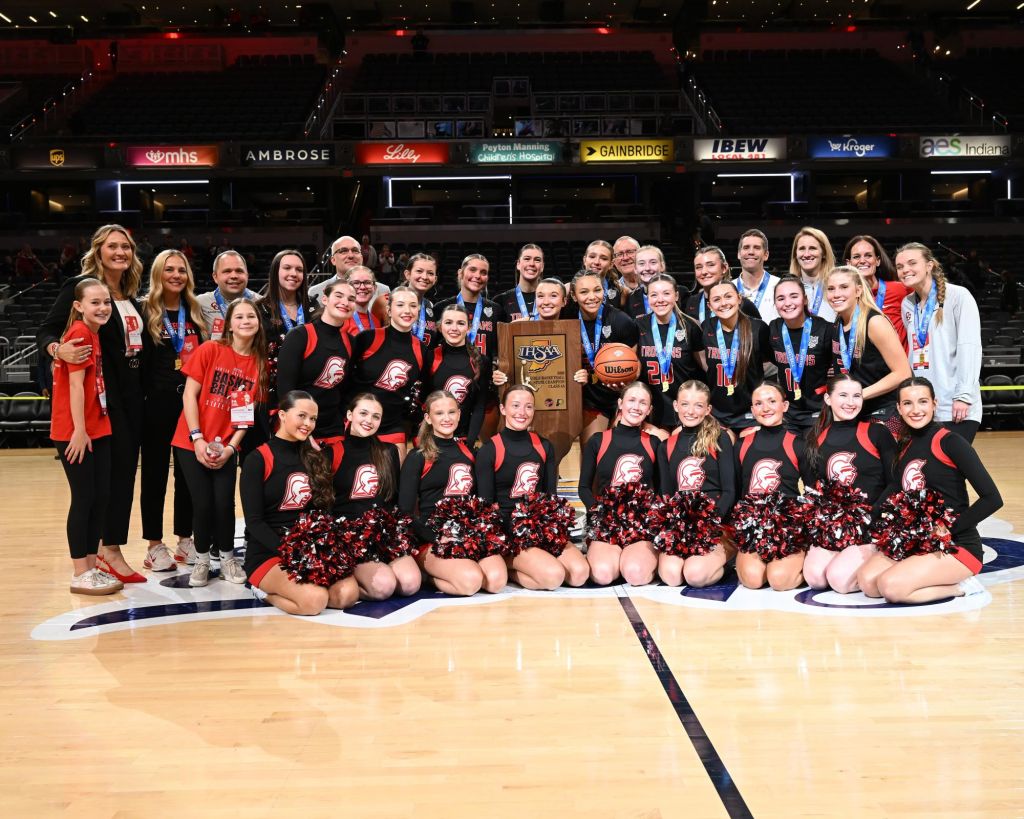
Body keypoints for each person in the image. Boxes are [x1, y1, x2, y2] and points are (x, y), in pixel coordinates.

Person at [38, 224, 148, 583]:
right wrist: (58, 350)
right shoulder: (82, 287)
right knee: (102, 486)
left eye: (126, 247)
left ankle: (105, 552)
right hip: (100, 401)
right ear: (98, 250)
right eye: (112, 246)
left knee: (116, 483)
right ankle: (104, 554)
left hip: (129, 399)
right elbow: (48, 332)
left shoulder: (132, 292)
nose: (120, 253)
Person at [857, 377, 1002, 604]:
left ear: (934, 403)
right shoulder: (904, 445)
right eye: (907, 403)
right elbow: (896, 486)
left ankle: (962, 587)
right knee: (868, 583)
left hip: (955, 545)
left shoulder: (951, 442)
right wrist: (868, 517)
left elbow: (992, 498)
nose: (916, 410)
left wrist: (949, 528)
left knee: (890, 587)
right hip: (917, 541)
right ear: (898, 408)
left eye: (922, 402)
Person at [172, 297, 265, 587]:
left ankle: (226, 557)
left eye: (251, 316)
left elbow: (245, 415)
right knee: (202, 504)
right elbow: (189, 395)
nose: (246, 321)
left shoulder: (259, 364)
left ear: (258, 323)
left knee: (224, 503)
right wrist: (197, 438)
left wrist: (231, 447)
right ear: (229, 324)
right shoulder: (210, 349)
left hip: (226, 445)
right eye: (239, 317)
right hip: (190, 441)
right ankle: (201, 559)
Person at [241, 391, 360, 615]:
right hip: (269, 552)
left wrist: (319, 551)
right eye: (302, 416)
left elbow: (320, 512)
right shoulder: (257, 459)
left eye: (313, 419)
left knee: (346, 595)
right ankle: (262, 592)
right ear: (283, 415)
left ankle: (302, 587)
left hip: (307, 549)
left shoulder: (314, 457)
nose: (308, 424)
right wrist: (292, 552)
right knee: (314, 601)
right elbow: (254, 522)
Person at [475, 386, 589, 589]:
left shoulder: (544, 446)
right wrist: (516, 533)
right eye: (515, 406)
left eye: (528, 407)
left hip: (539, 528)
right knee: (554, 576)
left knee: (579, 574)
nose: (522, 412)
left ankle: (529, 567)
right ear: (502, 409)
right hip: (509, 533)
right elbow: (486, 508)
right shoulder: (490, 450)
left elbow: (550, 499)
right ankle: (508, 563)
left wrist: (547, 531)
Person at [50, 278, 122, 595]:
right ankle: (81, 571)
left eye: (106, 302)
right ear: (79, 306)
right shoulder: (79, 333)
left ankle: (92, 567)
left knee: (100, 499)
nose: (103, 307)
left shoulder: (94, 332)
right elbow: (76, 387)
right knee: (84, 500)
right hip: (77, 430)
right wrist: (79, 430)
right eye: (95, 302)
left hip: (97, 425)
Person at [399, 391, 507, 596]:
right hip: (433, 537)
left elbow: (480, 501)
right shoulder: (418, 456)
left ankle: (448, 571)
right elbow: (405, 511)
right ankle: (427, 571)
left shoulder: (469, 453)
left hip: (467, 534)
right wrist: (436, 537)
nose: (446, 418)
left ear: (459, 415)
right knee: (471, 581)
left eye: (451, 412)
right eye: (439, 413)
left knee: (496, 581)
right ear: (428, 418)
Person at [139, 249, 205, 570]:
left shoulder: (194, 312)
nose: (176, 275)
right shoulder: (145, 311)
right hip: (155, 405)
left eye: (182, 270)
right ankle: (153, 545)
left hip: (189, 405)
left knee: (187, 475)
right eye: (170, 270)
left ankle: (184, 540)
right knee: (154, 475)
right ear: (158, 274)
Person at [800, 375, 896, 593]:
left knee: (839, 580)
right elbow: (812, 491)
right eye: (843, 395)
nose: (850, 402)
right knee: (815, 578)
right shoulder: (813, 438)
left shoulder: (876, 432)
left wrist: (872, 516)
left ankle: (884, 556)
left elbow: (895, 483)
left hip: (871, 524)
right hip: (835, 527)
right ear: (827, 399)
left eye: (857, 396)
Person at [331, 394, 419, 600]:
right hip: (350, 537)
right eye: (363, 413)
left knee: (410, 584)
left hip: (382, 534)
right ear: (349, 414)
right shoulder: (333, 452)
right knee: (383, 587)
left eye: (375, 416)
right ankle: (345, 584)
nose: (368, 421)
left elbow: (394, 499)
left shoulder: (389, 452)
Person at [895, 242, 982, 443]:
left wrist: (963, 395)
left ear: (929, 265)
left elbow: (969, 348)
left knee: (950, 472)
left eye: (912, 263)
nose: (905, 270)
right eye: (900, 267)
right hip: (923, 407)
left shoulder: (959, 296)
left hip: (956, 405)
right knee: (930, 471)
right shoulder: (907, 304)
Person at [579, 381, 662, 586]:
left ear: (649, 410)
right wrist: (601, 513)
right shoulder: (598, 440)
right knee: (602, 574)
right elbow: (583, 488)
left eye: (643, 403)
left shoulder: (653, 443)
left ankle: (644, 558)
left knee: (635, 574)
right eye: (631, 400)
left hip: (641, 526)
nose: (636, 406)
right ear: (620, 403)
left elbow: (661, 491)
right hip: (606, 523)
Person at [656, 380, 737, 587]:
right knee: (671, 575)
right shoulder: (666, 446)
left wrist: (708, 523)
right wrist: (676, 527)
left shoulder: (720, 438)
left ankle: (729, 557)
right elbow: (666, 495)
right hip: (682, 526)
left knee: (695, 575)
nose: (690, 411)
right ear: (675, 406)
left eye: (698, 405)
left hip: (714, 525)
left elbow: (729, 491)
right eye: (685, 404)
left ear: (708, 409)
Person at [734, 382, 807, 591]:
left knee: (779, 580)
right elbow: (739, 492)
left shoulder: (798, 443)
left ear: (785, 405)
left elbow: (812, 492)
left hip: (787, 529)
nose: (765, 408)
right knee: (752, 580)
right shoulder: (741, 445)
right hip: (754, 529)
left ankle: (804, 558)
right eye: (758, 403)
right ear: (752, 410)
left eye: (772, 401)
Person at [825, 265, 911, 432]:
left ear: (858, 291)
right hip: (856, 409)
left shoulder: (874, 322)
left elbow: (903, 373)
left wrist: (858, 395)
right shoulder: (838, 323)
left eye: (844, 287)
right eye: (831, 289)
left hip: (886, 408)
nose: (836, 294)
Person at [276, 280, 357, 445]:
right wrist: (304, 435)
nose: (345, 302)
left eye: (351, 299)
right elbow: (285, 391)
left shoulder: (351, 342)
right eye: (339, 296)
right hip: (298, 427)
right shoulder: (300, 336)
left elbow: (345, 390)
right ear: (325, 300)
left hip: (333, 428)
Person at [348, 285, 425, 453]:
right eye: (400, 305)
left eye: (413, 305)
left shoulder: (421, 349)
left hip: (393, 426)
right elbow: (344, 378)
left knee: (396, 477)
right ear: (389, 310)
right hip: (358, 422)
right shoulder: (368, 338)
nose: (407, 310)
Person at [569, 269, 639, 446]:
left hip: (616, 396)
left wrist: (626, 379)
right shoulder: (567, 319)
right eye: (584, 292)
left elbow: (635, 366)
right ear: (574, 296)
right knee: (593, 451)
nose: (592, 297)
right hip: (586, 397)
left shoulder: (622, 321)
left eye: (597, 290)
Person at [700, 280, 771, 433]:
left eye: (728, 297)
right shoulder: (706, 327)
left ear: (739, 299)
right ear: (709, 306)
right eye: (716, 299)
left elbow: (775, 361)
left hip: (751, 414)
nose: (723, 303)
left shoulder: (758, 328)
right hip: (717, 414)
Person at [636, 273, 703, 431]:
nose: (660, 299)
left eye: (666, 293)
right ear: (648, 298)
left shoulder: (690, 326)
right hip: (650, 409)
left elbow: (705, 369)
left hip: (684, 409)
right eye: (654, 294)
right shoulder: (638, 325)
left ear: (676, 295)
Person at [768, 276, 834, 431]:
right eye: (781, 298)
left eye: (794, 296)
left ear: (804, 299)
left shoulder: (825, 329)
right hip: (787, 414)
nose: (788, 303)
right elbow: (773, 357)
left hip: (819, 412)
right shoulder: (773, 329)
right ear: (775, 303)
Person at [257, 248, 312, 426]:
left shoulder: (314, 308)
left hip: (308, 391)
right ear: (275, 272)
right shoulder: (258, 309)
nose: (293, 274)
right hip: (269, 394)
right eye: (287, 268)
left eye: (299, 269)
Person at [427, 304, 491, 447]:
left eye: (460, 323)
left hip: (463, 440)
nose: (454, 328)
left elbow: (479, 407)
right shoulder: (430, 358)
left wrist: (468, 443)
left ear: (469, 327)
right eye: (448, 322)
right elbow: (424, 404)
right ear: (440, 326)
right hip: (432, 441)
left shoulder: (481, 361)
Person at [843, 235, 907, 350]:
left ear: (877, 261)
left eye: (868, 255)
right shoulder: (846, 297)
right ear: (849, 263)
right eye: (856, 257)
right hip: (866, 365)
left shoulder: (899, 289)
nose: (862, 261)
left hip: (899, 363)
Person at [435, 253, 505, 359]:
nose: (477, 276)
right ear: (460, 273)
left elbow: (499, 351)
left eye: (483, 272)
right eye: (472, 270)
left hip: (485, 374)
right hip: (451, 373)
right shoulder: (441, 308)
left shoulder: (496, 310)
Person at [685, 246, 761, 324]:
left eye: (711, 265)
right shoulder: (692, 302)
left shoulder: (742, 304)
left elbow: (760, 331)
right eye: (698, 267)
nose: (704, 271)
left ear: (724, 268)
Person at [309, 235, 389, 306]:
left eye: (355, 251)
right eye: (343, 251)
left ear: (361, 258)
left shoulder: (382, 291)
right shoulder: (316, 292)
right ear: (333, 260)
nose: (351, 255)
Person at [196, 251, 256, 341]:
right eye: (227, 271)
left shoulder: (262, 303)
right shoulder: (199, 303)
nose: (234, 276)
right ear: (215, 277)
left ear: (247, 275)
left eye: (239, 271)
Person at [789, 227, 837, 322]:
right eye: (802, 249)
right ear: (795, 254)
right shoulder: (787, 289)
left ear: (823, 253)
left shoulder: (837, 287)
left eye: (812, 248)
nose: (806, 254)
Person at [736, 229, 779, 323]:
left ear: (766, 255)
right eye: (746, 247)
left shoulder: (779, 285)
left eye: (757, 247)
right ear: (739, 254)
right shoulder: (729, 288)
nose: (751, 252)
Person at [493, 243, 544, 321]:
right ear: (518, 264)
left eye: (537, 260)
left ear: (542, 267)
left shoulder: (550, 300)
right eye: (527, 259)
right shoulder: (501, 300)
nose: (532, 264)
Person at [624, 245, 673, 320]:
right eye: (641, 263)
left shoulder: (681, 293)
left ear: (662, 266)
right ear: (635, 269)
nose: (647, 268)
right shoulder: (630, 299)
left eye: (653, 262)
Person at [402, 252, 439, 346]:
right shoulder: (389, 302)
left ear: (435, 279)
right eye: (419, 271)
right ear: (407, 274)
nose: (425, 277)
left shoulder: (431, 307)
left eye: (430, 273)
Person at [341, 265, 385, 336]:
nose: (362, 287)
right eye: (356, 283)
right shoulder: (340, 319)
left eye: (367, 282)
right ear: (346, 287)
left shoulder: (376, 321)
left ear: (375, 288)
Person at [581, 239, 622, 305]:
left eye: (604, 258)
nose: (596, 262)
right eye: (592, 257)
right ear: (585, 260)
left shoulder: (621, 291)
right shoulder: (569, 290)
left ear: (611, 264)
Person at [611, 235, 641, 305]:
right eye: (620, 254)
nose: (625, 258)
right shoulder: (611, 292)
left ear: (641, 254)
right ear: (614, 262)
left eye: (630, 252)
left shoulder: (657, 285)